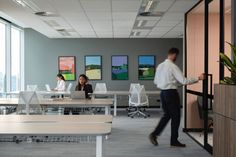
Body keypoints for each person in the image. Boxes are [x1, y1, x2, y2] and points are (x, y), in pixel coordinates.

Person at [149, 47, 205, 147]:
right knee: (176, 117)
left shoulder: (160, 66)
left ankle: (154, 134)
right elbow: (184, 80)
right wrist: (199, 78)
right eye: (176, 56)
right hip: (171, 94)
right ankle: (174, 141)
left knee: (167, 115)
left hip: (163, 93)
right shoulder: (172, 66)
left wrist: (175, 84)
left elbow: (156, 82)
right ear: (174, 55)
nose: (176, 58)